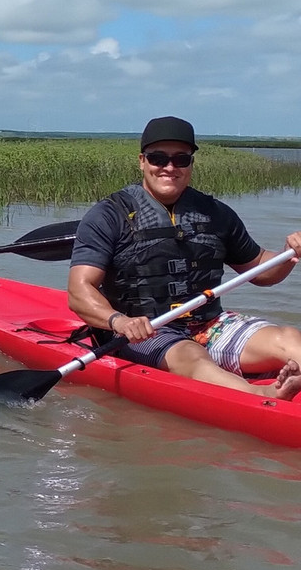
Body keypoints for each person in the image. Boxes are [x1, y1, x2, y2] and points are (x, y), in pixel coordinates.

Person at [67, 115, 301, 400]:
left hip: (209, 325)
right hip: (143, 331)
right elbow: (80, 291)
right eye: (158, 158)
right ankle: (263, 395)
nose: (169, 168)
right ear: (142, 160)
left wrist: (289, 254)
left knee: (288, 338)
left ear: (191, 163)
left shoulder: (215, 212)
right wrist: (119, 321)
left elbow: (261, 271)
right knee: (191, 355)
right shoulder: (109, 214)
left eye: (181, 159)